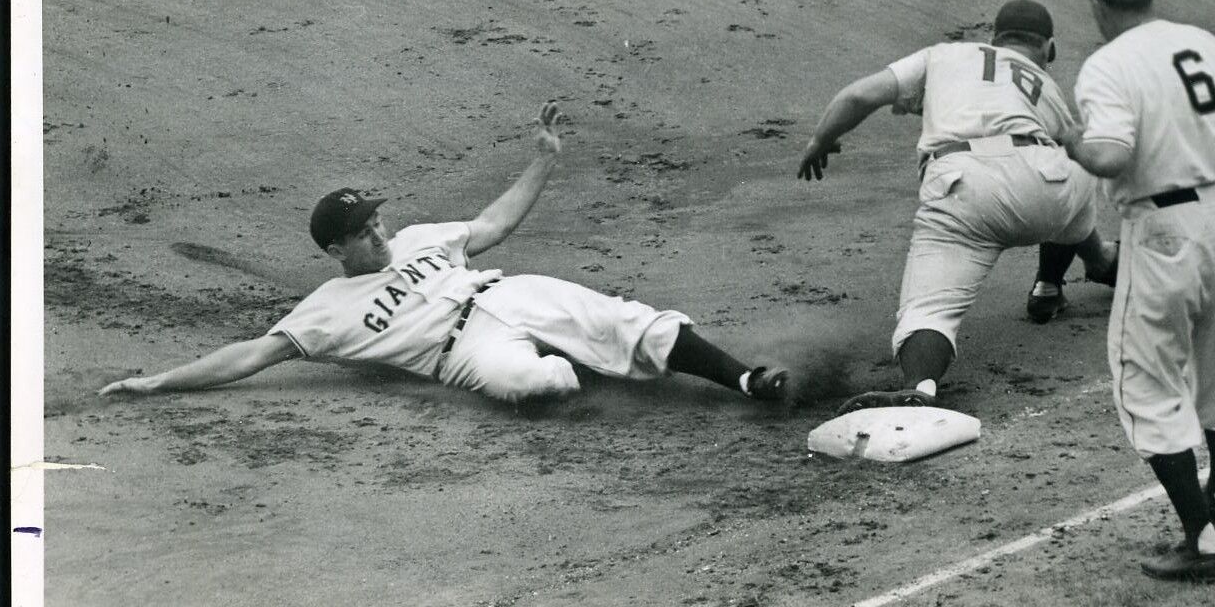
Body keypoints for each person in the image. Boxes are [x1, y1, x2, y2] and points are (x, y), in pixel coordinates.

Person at [100, 103, 788, 406]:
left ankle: (747, 382)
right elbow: (248, 356)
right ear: (335, 248)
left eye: (376, 218)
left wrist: (540, 162)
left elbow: (493, 223)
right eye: (363, 230)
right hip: (457, 355)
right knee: (537, 383)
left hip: (504, 293)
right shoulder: (324, 311)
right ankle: (594, 368)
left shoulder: (423, 237)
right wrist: (159, 381)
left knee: (633, 320)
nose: (378, 231)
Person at [1063, 0, 1215, 583]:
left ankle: (1202, 544)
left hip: (1165, 233)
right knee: (1213, 358)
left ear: (1099, 3)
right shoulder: (1201, 41)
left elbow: (1108, 155)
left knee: (1145, 380)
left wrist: (1069, 138)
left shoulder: (1108, 65)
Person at [796, 0, 1118, 411]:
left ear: (993, 38)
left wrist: (820, 140)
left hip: (964, 190)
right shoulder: (1045, 84)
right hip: (1050, 191)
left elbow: (860, 95)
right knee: (1068, 164)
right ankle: (1069, 276)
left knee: (929, 311)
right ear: (1049, 49)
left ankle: (922, 387)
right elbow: (1075, 143)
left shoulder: (944, 53)